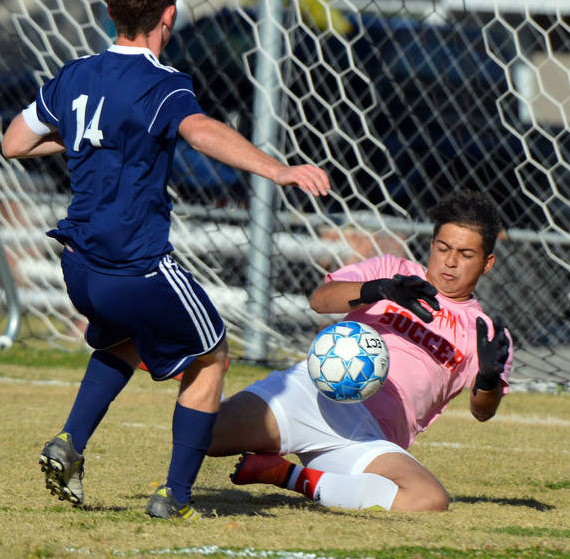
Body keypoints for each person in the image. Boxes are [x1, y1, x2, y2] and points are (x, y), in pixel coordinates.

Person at [0, 0, 331, 520]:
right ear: (169, 16)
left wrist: (82, 142)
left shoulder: (76, 74)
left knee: (124, 341)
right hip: (137, 265)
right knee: (212, 355)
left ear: (110, 13)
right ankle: (175, 497)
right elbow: (200, 130)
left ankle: (69, 444)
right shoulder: (164, 84)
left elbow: (14, 143)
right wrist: (278, 170)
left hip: (80, 265)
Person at [207, 190, 512, 512]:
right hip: (313, 394)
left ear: (487, 263)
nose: (450, 261)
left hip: (367, 436)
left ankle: (287, 475)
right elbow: (320, 301)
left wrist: (488, 378)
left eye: (465, 254)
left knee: (428, 500)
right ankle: (200, 369)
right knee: (203, 436)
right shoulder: (393, 269)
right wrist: (379, 288)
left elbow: (483, 411)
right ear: (431, 245)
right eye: (443, 248)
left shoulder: (485, 332)